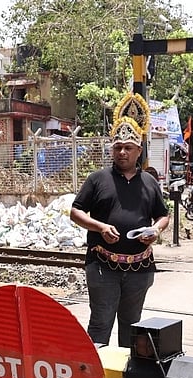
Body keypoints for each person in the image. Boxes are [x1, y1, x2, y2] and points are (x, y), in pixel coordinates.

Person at [70, 94, 170, 347]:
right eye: (118, 147)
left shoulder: (149, 181)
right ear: (111, 149)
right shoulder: (97, 179)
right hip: (103, 267)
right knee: (101, 323)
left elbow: (163, 214)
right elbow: (76, 211)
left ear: (139, 150)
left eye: (128, 147)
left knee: (132, 327)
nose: (122, 152)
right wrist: (100, 227)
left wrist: (156, 230)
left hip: (139, 269)